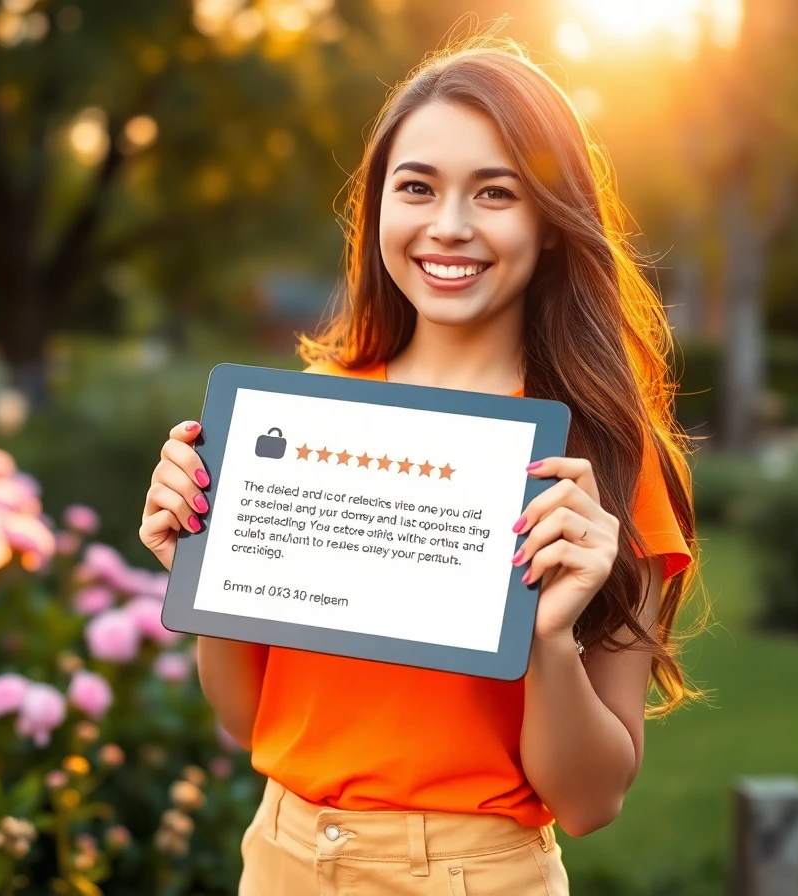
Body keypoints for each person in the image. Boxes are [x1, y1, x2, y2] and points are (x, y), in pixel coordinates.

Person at [139, 35, 701, 896]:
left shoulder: (603, 458)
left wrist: (547, 639)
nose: (449, 225)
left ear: (550, 224)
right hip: (280, 856)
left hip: (472, 876)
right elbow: (250, 718)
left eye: (496, 192)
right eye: (417, 187)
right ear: (378, 211)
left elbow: (589, 803)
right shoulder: (308, 416)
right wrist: (202, 575)